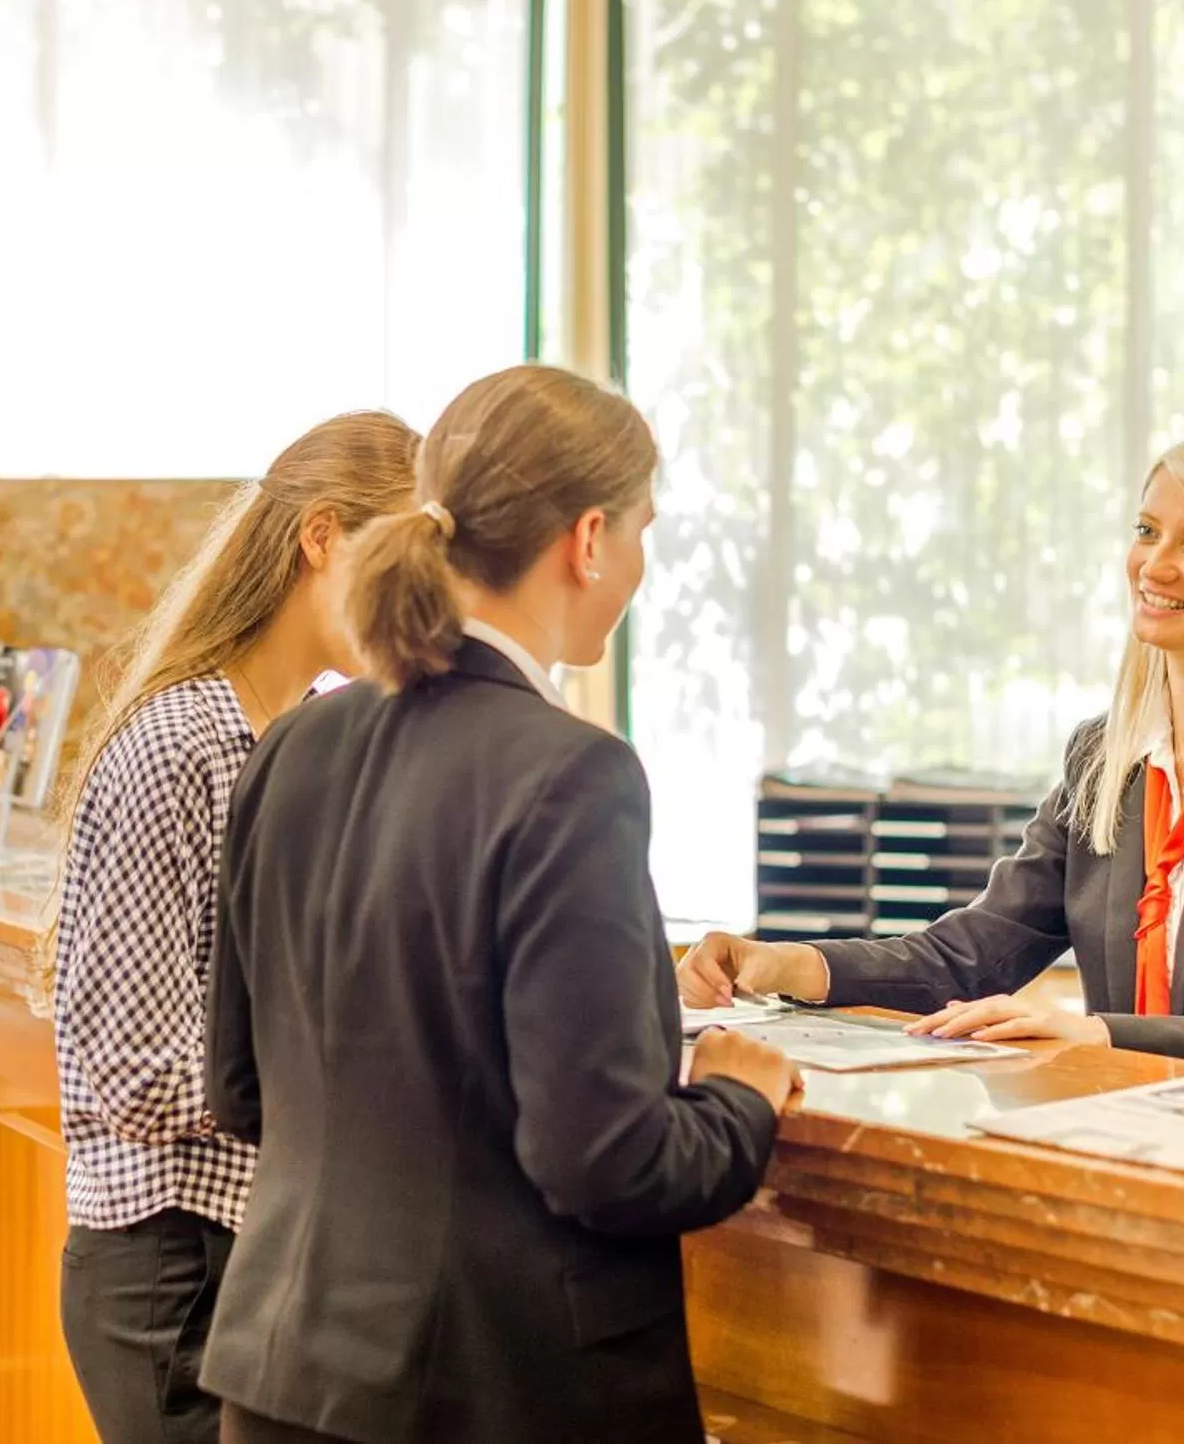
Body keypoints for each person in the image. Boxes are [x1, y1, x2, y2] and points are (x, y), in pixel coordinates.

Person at [201, 365, 799, 1444]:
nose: (638, 567)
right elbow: (607, 1162)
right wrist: (738, 1101)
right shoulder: (574, 775)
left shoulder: (298, 741)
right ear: (588, 539)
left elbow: (242, 1090)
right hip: (487, 1395)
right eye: (642, 532)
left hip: (281, 1380)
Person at [680, 427, 1184, 1090]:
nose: (1155, 565)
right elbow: (968, 959)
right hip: (1159, 1127)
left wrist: (1097, 1033)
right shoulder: (1105, 756)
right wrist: (784, 964)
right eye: (1147, 531)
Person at [53, 410, 421, 1444]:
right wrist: (350, 1084)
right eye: (402, 560)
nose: (420, 605)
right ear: (322, 539)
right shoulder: (182, 742)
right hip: (168, 1269)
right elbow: (132, 1070)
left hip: (248, 1252)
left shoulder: (294, 734)